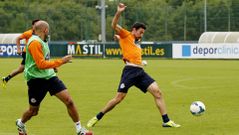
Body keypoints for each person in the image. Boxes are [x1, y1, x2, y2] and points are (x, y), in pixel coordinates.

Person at [87, 3, 180, 128]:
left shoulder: (136, 41)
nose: (141, 35)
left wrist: (140, 62)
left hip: (140, 72)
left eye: (143, 33)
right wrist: (119, 12)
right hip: (129, 72)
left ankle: (166, 121)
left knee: (158, 93)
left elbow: (129, 49)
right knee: (118, 99)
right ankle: (97, 117)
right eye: (140, 32)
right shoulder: (127, 35)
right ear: (134, 30)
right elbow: (113, 25)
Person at [15, 20, 91, 135]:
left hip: (50, 77)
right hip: (36, 80)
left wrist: (53, 67)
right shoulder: (35, 42)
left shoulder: (43, 40)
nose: (49, 32)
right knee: (33, 111)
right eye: (48, 30)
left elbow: (44, 60)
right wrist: (61, 61)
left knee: (69, 101)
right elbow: (40, 64)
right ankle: (21, 123)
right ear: (45, 30)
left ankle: (79, 130)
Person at [2, 19, 40, 88]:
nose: (38, 25)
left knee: (20, 69)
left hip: (35, 53)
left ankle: (6, 79)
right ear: (33, 26)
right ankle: (32, 85)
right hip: (27, 53)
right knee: (33, 68)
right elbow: (18, 39)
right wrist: (19, 49)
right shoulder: (29, 33)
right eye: (36, 24)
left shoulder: (41, 33)